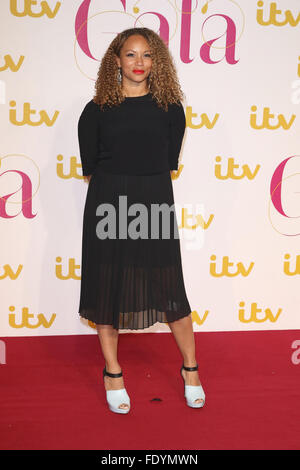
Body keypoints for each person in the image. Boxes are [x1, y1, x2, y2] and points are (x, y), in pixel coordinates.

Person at [77, 27, 205, 414]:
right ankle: (113, 371)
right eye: (130, 55)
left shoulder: (171, 109)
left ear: (157, 62)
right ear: (115, 60)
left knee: (171, 289)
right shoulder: (95, 110)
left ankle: (191, 369)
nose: (138, 63)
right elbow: (90, 164)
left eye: (147, 55)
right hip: (108, 203)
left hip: (153, 202)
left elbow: (168, 163)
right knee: (107, 288)